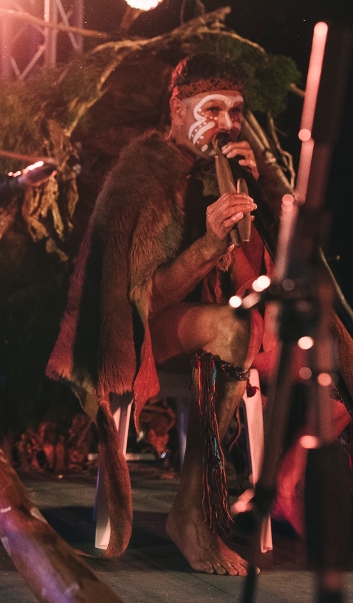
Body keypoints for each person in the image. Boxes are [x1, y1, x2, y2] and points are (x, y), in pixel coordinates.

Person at [48, 53, 268, 575]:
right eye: (211, 109)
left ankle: (283, 498)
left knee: (293, 336)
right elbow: (139, 299)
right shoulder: (142, 174)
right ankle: (190, 514)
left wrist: (257, 196)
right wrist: (207, 245)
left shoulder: (223, 174)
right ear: (177, 105)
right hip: (133, 329)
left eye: (235, 112)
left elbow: (259, 280)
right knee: (234, 329)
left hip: (209, 316)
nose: (225, 125)